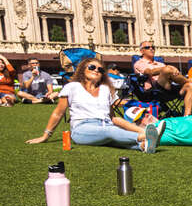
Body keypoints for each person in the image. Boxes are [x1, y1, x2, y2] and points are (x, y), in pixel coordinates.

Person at [25, 58, 162, 153]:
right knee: (111, 133)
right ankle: (146, 136)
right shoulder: (72, 87)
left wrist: (136, 128)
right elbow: (58, 113)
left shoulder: (105, 90)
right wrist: (45, 136)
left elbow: (114, 119)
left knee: (115, 137)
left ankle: (144, 145)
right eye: (92, 67)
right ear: (82, 70)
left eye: (101, 70)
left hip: (106, 125)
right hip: (82, 129)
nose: (96, 70)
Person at [133, 41, 192, 115]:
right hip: (155, 91)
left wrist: (170, 69)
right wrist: (167, 68)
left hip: (169, 87)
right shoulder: (139, 63)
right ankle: (187, 80)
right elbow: (149, 72)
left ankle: (187, 116)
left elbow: (171, 73)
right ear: (142, 51)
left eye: (153, 47)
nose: (151, 49)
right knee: (167, 69)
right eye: (147, 47)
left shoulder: (160, 64)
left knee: (191, 86)